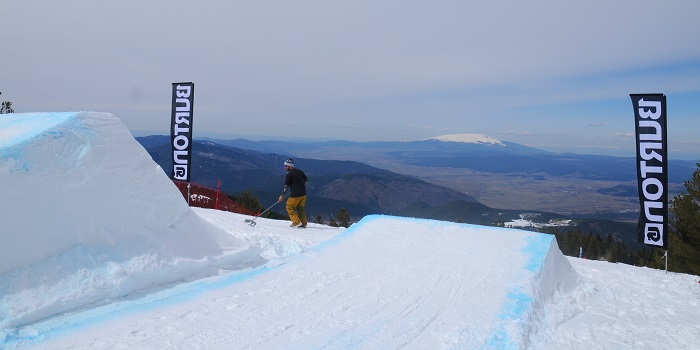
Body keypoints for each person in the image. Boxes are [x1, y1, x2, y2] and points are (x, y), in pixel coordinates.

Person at [278, 158, 308, 228]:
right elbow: (306, 179)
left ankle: (296, 221)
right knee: (301, 208)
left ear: (289, 166)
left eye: (285, 166)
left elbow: (286, 186)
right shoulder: (300, 171)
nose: (285, 168)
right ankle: (304, 223)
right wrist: (301, 184)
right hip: (303, 194)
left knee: (289, 206)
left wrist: (282, 196)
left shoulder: (289, 174)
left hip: (295, 195)